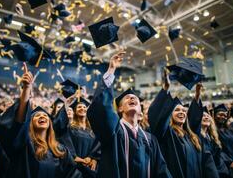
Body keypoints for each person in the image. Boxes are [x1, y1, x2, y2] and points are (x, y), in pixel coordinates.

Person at [87, 50, 172, 178]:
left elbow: (161, 170)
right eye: (127, 98)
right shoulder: (113, 132)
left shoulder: (150, 140)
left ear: (141, 112)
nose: (132, 99)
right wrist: (111, 70)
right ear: (120, 109)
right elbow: (101, 108)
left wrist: (165, 89)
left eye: (135, 99)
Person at [0, 63, 81, 178]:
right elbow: (18, 125)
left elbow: (72, 173)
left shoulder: (59, 149)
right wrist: (26, 88)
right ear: (29, 123)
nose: (42, 116)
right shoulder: (24, 145)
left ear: (50, 124)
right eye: (37, 116)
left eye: (45, 116)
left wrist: (65, 105)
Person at [148, 69, 217, 178]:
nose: (182, 112)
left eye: (184, 111)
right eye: (177, 110)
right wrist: (166, 88)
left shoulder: (192, 136)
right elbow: (158, 118)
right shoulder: (166, 133)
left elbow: (194, 119)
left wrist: (197, 94)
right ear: (169, 114)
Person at [57, 97, 100, 178]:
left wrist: (93, 158)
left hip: (90, 168)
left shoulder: (93, 130)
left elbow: (98, 146)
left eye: (84, 107)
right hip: (74, 168)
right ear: (75, 111)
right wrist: (76, 158)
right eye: (79, 107)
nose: (82, 108)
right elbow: (65, 142)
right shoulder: (70, 127)